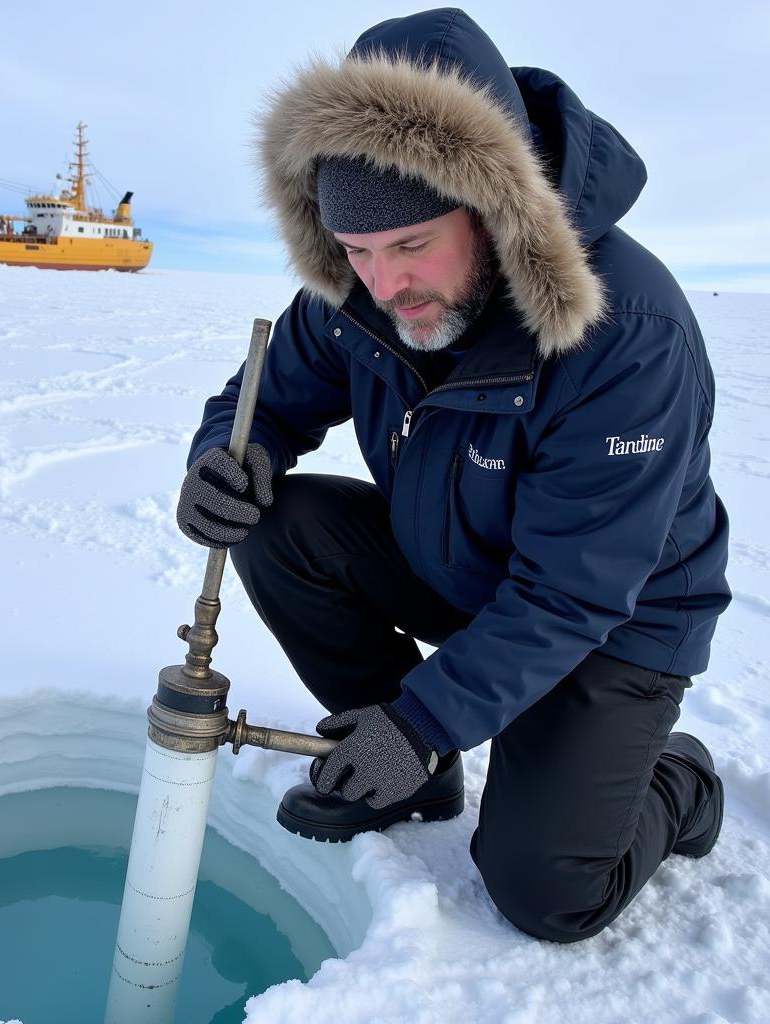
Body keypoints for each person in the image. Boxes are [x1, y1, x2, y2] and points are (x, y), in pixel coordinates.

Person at [176, 8, 731, 944]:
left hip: (616, 622)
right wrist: (228, 457)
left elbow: (569, 592)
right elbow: (265, 400)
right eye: (356, 252)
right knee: (276, 520)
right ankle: (407, 766)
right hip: (460, 566)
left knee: (545, 894)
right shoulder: (361, 292)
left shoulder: (626, 336)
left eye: (411, 246)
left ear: (493, 205)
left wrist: (428, 715)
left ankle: (680, 779)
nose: (386, 287)